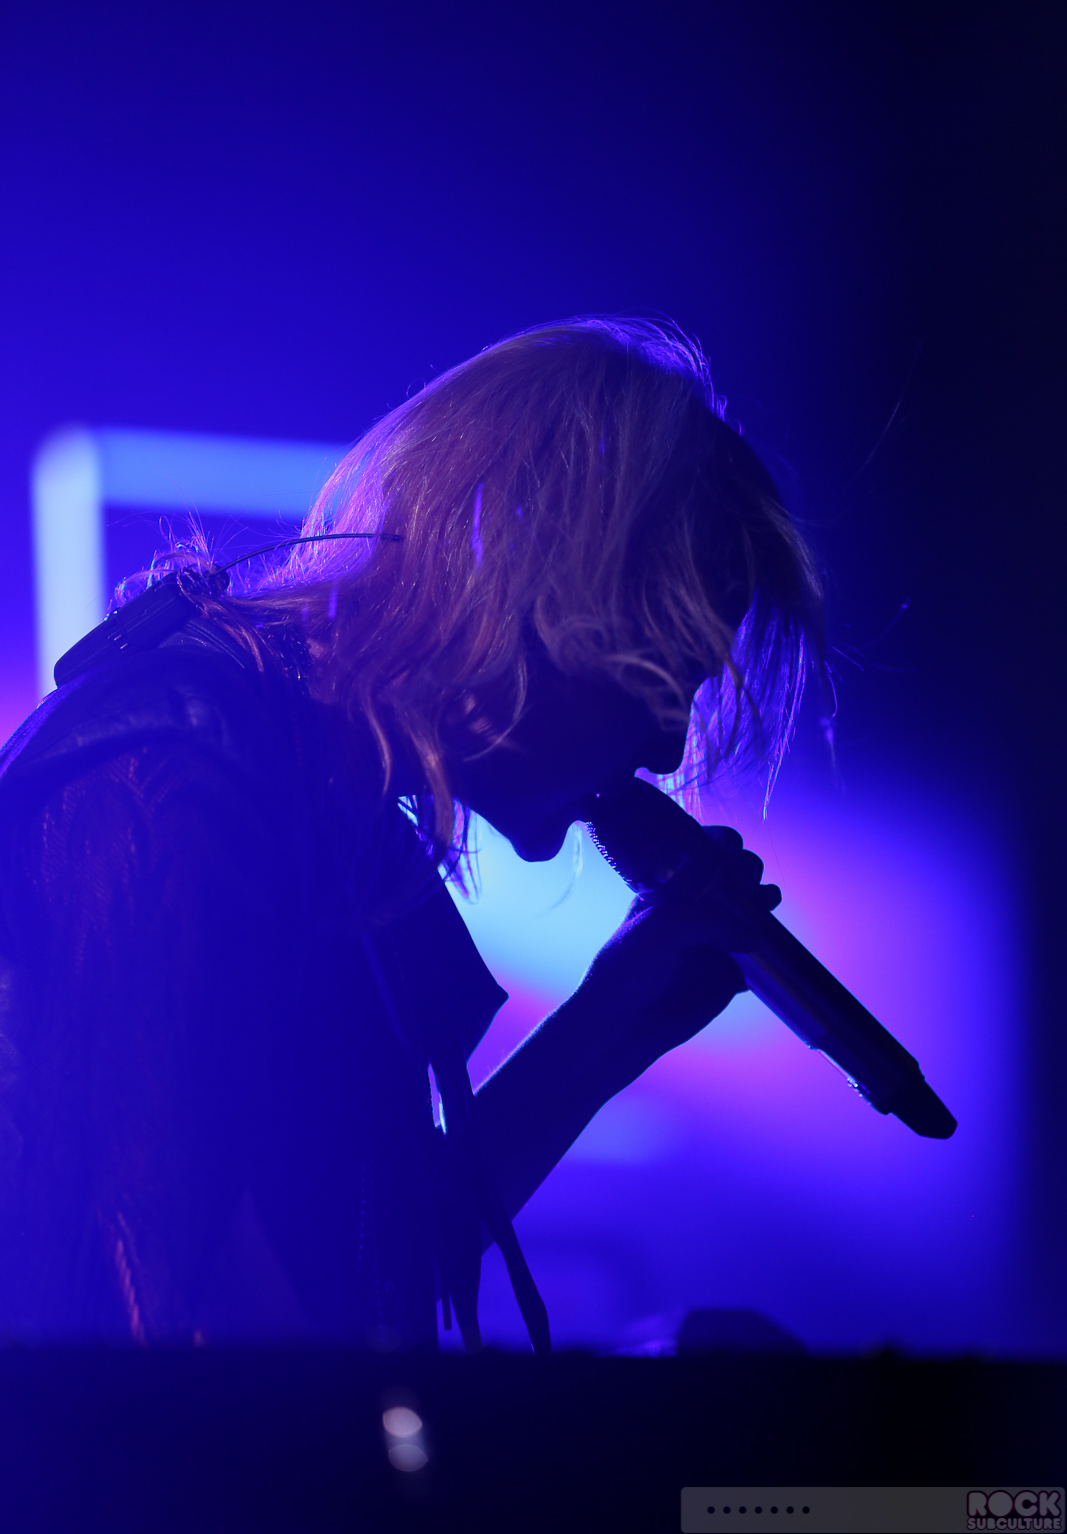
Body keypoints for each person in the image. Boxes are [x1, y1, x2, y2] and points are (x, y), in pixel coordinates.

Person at [0, 317, 821, 1350]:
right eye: (662, 673)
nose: (664, 745)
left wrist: (614, 1022)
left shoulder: (326, 805)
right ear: (534, 592)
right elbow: (195, 1341)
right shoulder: (174, 773)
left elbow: (368, 1270)